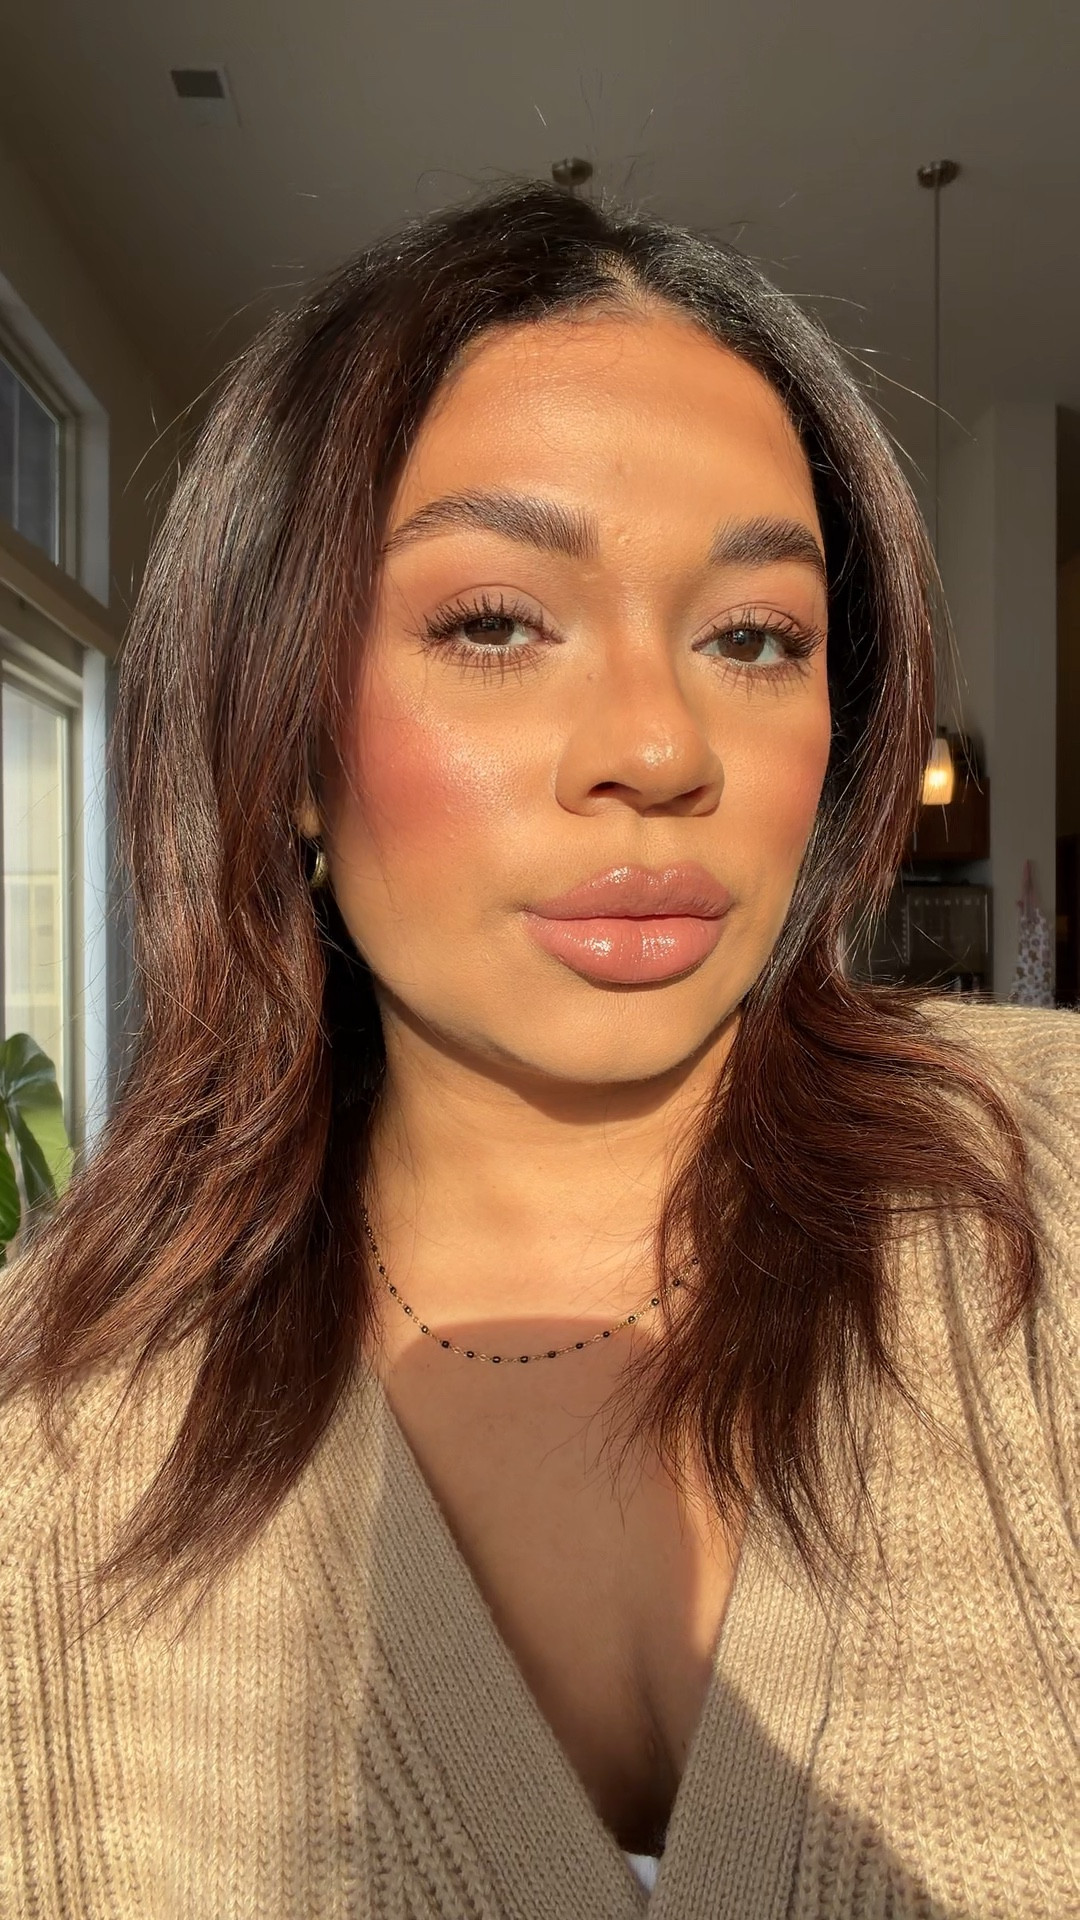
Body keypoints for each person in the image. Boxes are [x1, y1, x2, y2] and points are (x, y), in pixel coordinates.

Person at [0, 180, 1076, 1920]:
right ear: (281, 737)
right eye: (495, 622)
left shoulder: (1044, 1192)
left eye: (755, 636)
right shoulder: (52, 1444)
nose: (661, 746)